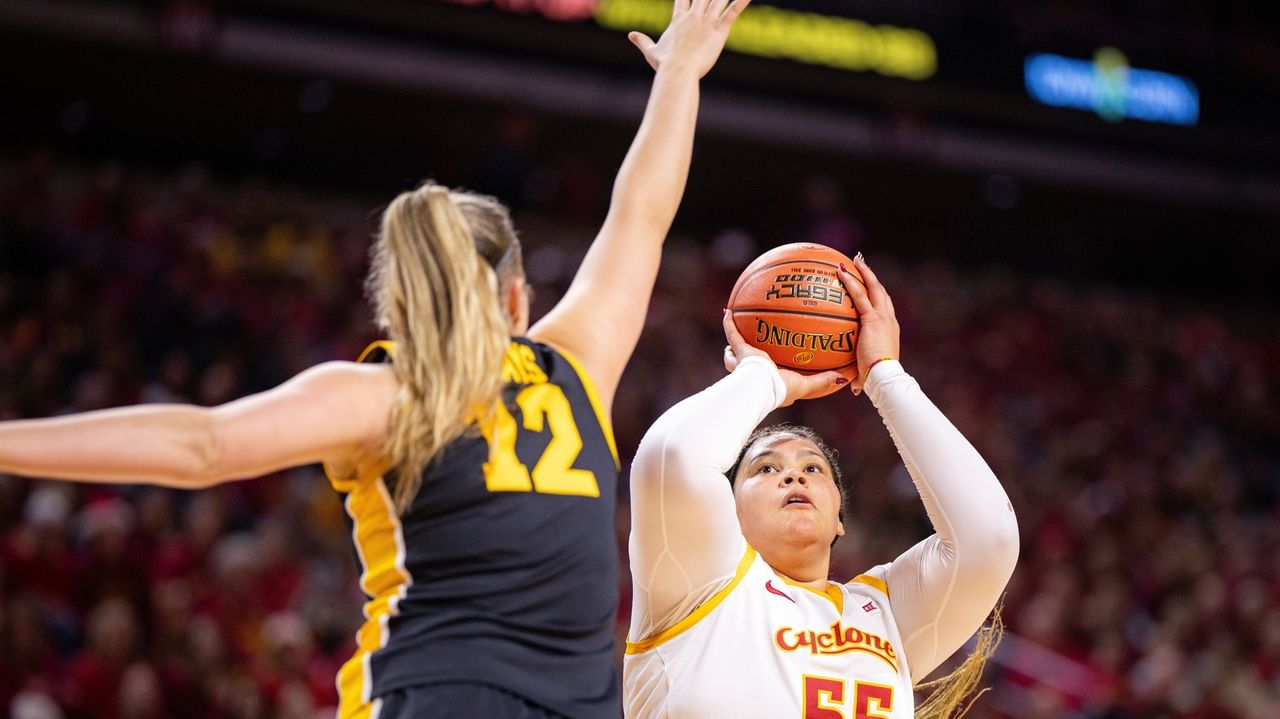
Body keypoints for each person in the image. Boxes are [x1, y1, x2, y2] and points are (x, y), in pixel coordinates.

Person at [0, 0, 752, 716]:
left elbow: (201, 443)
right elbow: (642, 214)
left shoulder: (388, 393)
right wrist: (680, 74)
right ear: (517, 299)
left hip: (434, 697)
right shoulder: (576, 364)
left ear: (400, 308)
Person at [624, 254, 1019, 717]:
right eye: (765, 469)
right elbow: (674, 459)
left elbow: (989, 538)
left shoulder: (884, 613)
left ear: (839, 520)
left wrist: (886, 376)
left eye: (813, 469)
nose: (793, 474)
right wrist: (764, 378)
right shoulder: (696, 584)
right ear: (724, 512)